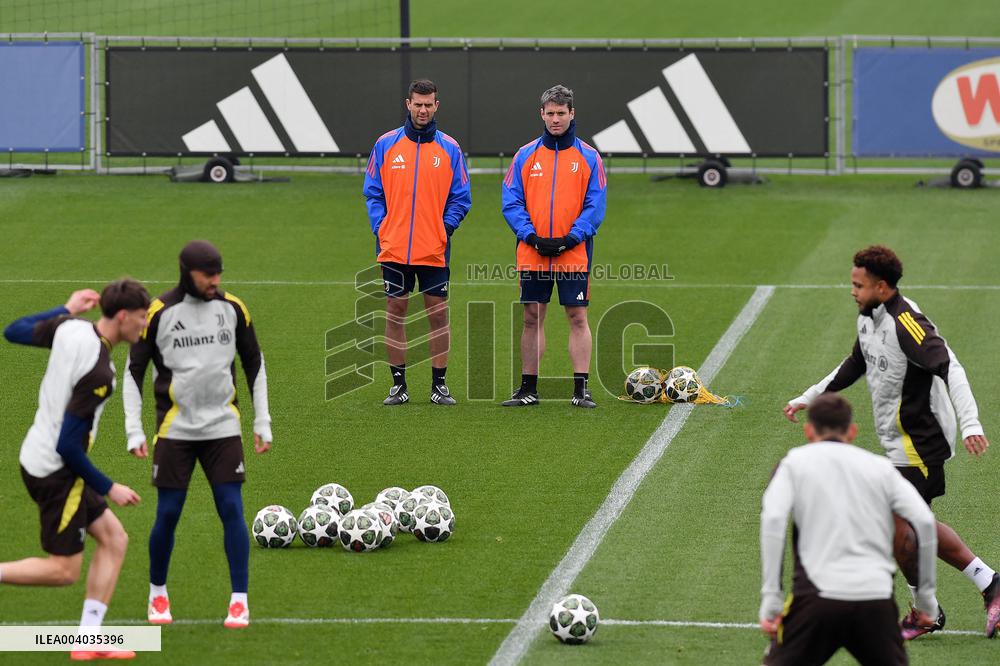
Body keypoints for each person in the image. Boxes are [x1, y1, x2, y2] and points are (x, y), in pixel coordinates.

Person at [783, 245, 1000, 639]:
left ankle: (928, 611)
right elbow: (856, 362)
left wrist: (971, 423)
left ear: (882, 287)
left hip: (920, 443)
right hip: (898, 440)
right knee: (912, 526)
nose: (852, 291)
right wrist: (809, 396)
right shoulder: (869, 317)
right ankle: (985, 586)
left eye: (858, 285)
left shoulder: (907, 324)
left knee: (898, 528)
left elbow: (952, 367)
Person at [124, 240, 272, 629]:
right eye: (209, 275)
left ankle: (239, 600)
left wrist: (263, 421)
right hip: (176, 430)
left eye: (219, 273)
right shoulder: (159, 312)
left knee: (231, 508)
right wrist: (133, 428)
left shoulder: (233, 309)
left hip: (223, 427)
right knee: (168, 513)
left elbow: (255, 362)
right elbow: (132, 372)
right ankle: (158, 593)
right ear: (187, 272)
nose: (216, 281)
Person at [2, 280, 149, 661]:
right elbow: (67, 445)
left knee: (114, 540)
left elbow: (12, 331)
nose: (144, 325)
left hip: (38, 456)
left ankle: (88, 639)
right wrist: (108, 485)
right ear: (122, 316)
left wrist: (65, 309)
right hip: (56, 471)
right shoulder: (100, 374)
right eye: (141, 317)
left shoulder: (71, 328)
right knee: (63, 570)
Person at [761, 393, 938, 665]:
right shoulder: (881, 469)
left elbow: (773, 520)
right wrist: (925, 597)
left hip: (815, 602)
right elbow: (924, 523)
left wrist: (771, 598)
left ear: (809, 430)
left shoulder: (793, 464)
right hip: (875, 602)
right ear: (852, 431)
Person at [363, 78, 472, 406]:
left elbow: (461, 197)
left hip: (434, 248)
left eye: (429, 104)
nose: (423, 110)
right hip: (394, 247)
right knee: (395, 311)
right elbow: (372, 192)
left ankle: (439, 385)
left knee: (437, 313)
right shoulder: (385, 145)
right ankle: (398, 384)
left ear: (436, 106)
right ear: (407, 104)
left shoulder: (450, 148)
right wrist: (381, 228)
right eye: (417, 104)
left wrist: (445, 228)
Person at [500, 84, 607, 408]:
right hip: (532, 251)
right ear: (542, 114)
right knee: (532, 316)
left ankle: (581, 389)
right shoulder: (525, 155)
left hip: (572, 252)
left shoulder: (588, 157)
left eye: (562, 113)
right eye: (551, 113)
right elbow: (511, 200)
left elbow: (595, 204)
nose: (556, 119)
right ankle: (528, 389)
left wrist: (570, 238)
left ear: (572, 113)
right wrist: (531, 236)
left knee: (577, 316)